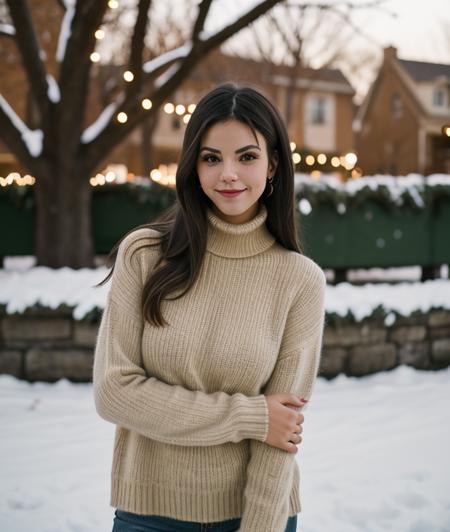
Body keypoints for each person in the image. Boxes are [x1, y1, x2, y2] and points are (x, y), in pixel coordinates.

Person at [92, 82, 327, 532]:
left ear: (273, 164)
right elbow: (114, 393)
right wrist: (251, 416)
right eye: (211, 158)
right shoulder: (143, 255)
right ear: (192, 165)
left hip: (253, 514)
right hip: (149, 514)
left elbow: (281, 438)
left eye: (247, 156)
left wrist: (258, 527)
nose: (228, 175)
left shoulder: (299, 280)